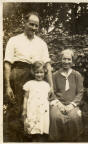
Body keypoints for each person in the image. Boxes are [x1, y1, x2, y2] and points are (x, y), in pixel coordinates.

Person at [4, 12, 53, 142]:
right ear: (24, 23)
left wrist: (51, 86)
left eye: (36, 26)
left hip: (36, 76)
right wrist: (8, 86)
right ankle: (14, 139)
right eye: (31, 24)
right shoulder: (14, 40)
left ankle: (31, 138)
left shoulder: (42, 43)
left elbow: (47, 65)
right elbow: (8, 64)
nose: (33, 28)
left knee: (34, 108)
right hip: (18, 74)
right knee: (16, 108)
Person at [49, 49, 84, 142]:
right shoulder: (54, 75)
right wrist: (58, 104)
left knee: (74, 118)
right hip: (58, 103)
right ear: (61, 59)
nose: (66, 62)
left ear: (72, 61)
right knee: (55, 117)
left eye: (69, 59)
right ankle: (56, 141)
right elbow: (52, 92)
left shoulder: (77, 75)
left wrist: (72, 105)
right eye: (64, 59)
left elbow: (80, 92)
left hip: (72, 104)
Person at [22, 61, 50, 142]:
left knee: (41, 125)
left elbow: (47, 98)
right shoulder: (29, 84)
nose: (39, 74)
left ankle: (40, 138)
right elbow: (26, 97)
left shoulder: (46, 85)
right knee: (32, 126)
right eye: (37, 72)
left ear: (44, 72)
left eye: (41, 72)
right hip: (32, 108)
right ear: (33, 72)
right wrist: (24, 109)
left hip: (43, 110)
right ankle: (32, 139)